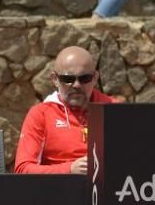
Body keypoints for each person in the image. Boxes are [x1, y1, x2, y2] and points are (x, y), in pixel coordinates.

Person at [14, 46, 114, 174]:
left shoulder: (113, 108)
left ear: (95, 78)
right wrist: (69, 169)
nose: (77, 85)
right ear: (55, 79)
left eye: (84, 79)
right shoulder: (41, 114)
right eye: (68, 79)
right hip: (60, 190)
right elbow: (22, 169)